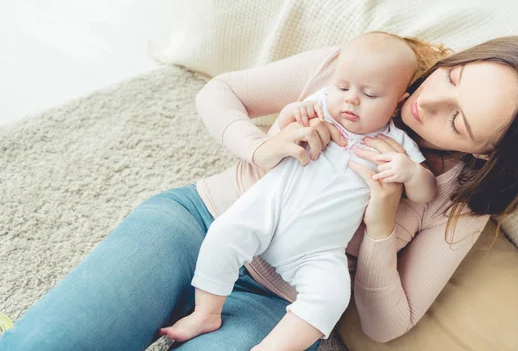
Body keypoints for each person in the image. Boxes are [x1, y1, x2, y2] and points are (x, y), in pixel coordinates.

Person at [0, 34, 518, 351]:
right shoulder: (368, 71)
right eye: (454, 77)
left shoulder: (458, 198)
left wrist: (383, 224)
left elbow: (389, 325)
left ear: (486, 153)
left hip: (280, 301)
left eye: (458, 122)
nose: (427, 101)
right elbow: (221, 93)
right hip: (199, 223)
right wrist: (259, 148)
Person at [159, 33, 437, 347]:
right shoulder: (319, 107)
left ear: (398, 102)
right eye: (343, 87)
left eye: (370, 94)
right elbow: (277, 117)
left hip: (317, 250)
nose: (351, 99)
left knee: (332, 296)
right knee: (224, 235)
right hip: (265, 211)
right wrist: (284, 122)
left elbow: (426, 191)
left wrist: (411, 173)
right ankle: (207, 312)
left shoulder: (397, 145)